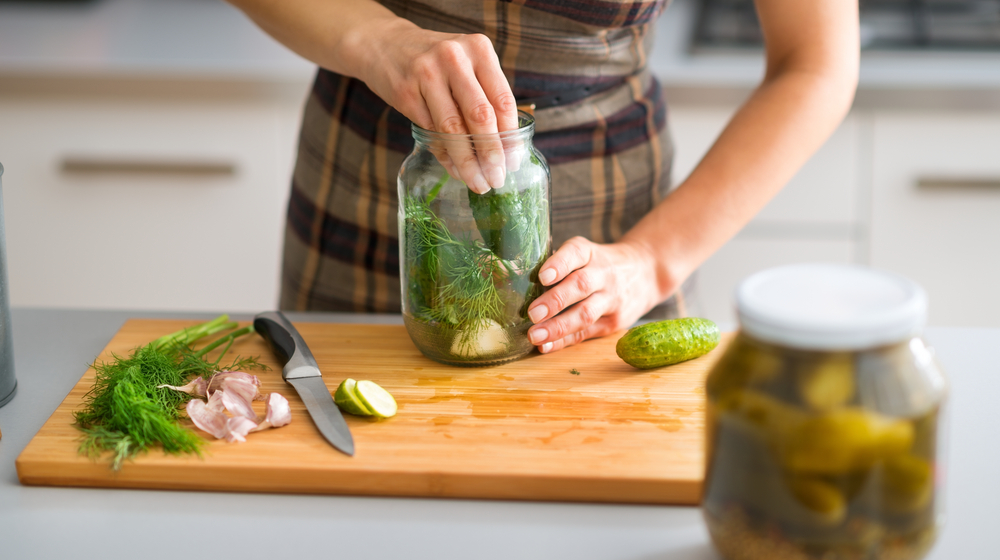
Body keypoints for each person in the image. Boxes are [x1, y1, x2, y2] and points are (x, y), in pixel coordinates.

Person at [227, 0, 859, 354]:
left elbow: (817, 62)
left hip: (612, 225)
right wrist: (374, 38)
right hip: (367, 182)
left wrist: (652, 261)